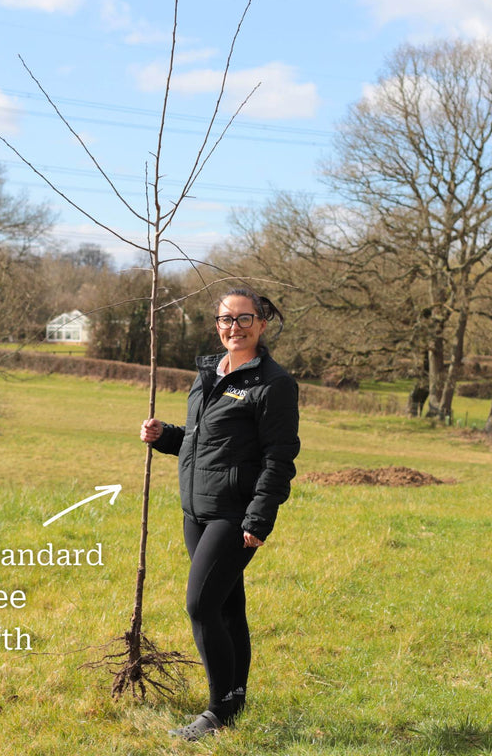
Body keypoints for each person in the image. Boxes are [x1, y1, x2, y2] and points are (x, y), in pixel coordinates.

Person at [140, 287, 300, 741]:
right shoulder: (210, 371)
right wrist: (166, 436)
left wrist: (258, 518)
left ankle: (216, 712)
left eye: (244, 319)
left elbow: (279, 456)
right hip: (197, 509)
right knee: (228, 607)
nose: (234, 327)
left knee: (200, 604)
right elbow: (204, 440)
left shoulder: (272, 383)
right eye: (226, 319)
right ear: (217, 324)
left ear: (262, 324)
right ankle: (235, 699)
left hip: (235, 513)